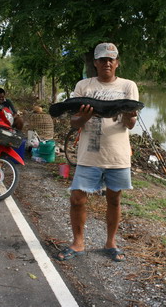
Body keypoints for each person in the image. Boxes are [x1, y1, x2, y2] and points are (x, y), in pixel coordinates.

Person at [56, 42, 139, 262]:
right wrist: (83, 117)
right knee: (77, 198)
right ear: (95, 63)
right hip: (88, 155)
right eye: (102, 59)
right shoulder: (84, 86)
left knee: (114, 199)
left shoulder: (128, 87)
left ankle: (111, 242)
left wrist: (130, 115)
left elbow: (130, 124)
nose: (107, 63)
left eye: (111, 59)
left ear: (117, 63)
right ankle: (78, 243)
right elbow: (74, 123)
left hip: (117, 155)